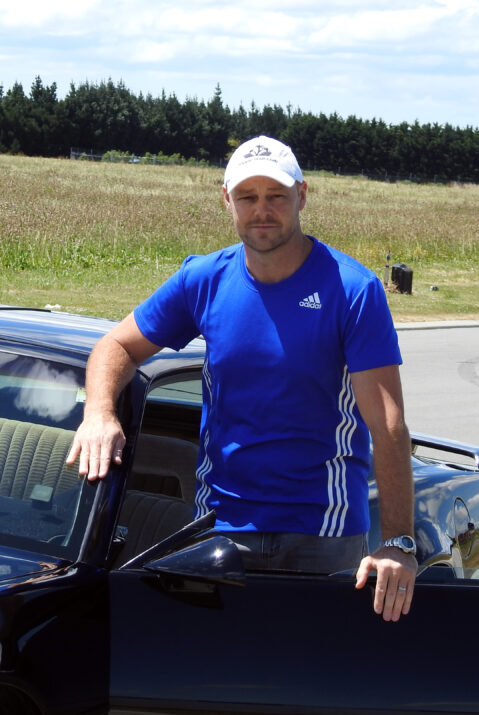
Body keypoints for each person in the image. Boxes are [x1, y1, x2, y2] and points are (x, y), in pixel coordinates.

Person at [66, 135, 416, 622]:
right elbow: (117, 346)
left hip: (324, 532)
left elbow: (388, 424)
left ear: (302, 195)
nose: (262, 210)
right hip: (219, 528)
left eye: (276, 196)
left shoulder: (353, 290)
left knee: (314, 668)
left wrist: (398, 543)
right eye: (248, 197)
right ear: (226, 200)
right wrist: (100, 413)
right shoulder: (204, 279)